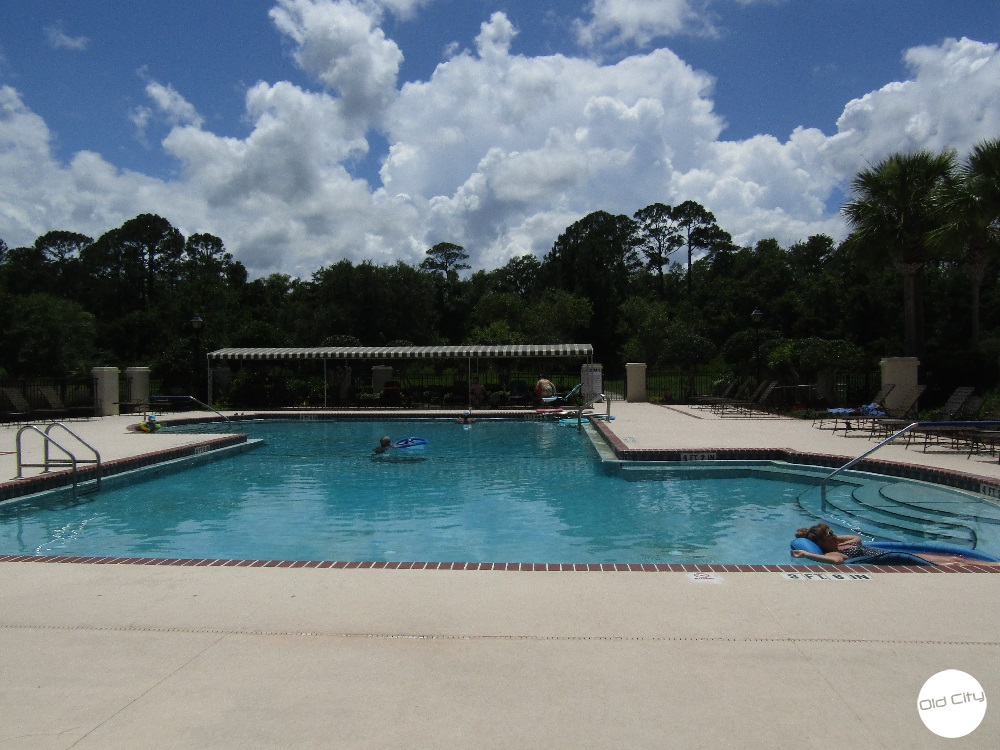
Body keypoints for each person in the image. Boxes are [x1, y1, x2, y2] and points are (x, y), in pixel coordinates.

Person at [791, 523, 1000, 567]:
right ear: (822, 543)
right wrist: (808, 554)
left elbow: (855, 538)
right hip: (892, 558)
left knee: (958, 559)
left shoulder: (845, 545)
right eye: (830, 534)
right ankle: (995, 568)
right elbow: (835, 561)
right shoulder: (837, 554)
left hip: (890, 552)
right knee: (954, 562)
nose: (836, 535)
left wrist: (831, 539)